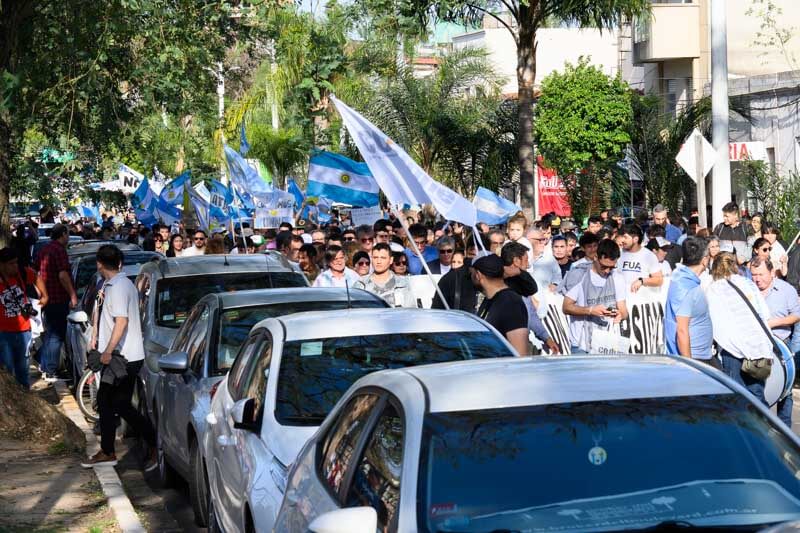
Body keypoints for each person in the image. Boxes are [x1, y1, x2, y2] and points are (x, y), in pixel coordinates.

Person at [81, 245, 156, 468]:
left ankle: (121, 449)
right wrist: (95, 334)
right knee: (115, 403)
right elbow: (106, 317)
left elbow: (121, 322)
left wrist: (108, 350)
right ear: (120, 262)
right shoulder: (112, 285)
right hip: (117, 356)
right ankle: (112, 450)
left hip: (122, 358)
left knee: (110, 402)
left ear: (99, 263)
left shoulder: (120, 287)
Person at [707, 252, 772, 405]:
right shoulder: (748, 283)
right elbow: (765, 313)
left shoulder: (715, 288)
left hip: (733, 348)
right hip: (757, 346)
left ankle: (745, 427)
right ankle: (764, 425)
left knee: (736, 396)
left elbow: (713, 320)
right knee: (756, 394)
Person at [750, 257, 800, 425]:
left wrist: (773, 323)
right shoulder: (748, 289)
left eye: (761, 274)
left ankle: (784, 435)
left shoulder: (787, 290)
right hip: (754, 348)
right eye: (754, 274)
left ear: (772, 272)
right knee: (757, 392)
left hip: (781, 347)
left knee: (784, 394)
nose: (757, 279)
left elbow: (797, 315)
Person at [562, 239, 629, 353]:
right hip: (581, 345)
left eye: (612, 267)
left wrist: (620, 315)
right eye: (604, 266)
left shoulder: (617, 277)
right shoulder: (579, 275)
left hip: (607, 344)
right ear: (595, 257)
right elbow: (566, 307)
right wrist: (591, 310)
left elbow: (623, 310)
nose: (608, 271)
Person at [34, 223, 78, 382]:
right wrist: (73, 294)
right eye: (68, 234)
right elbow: (62, 275)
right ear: (63, 234)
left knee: (51, 333)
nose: (68, 237)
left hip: (47, 299)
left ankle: (43, 361)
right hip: (58, 298)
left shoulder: (44, 249)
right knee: (56, 335)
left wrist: (40, 293)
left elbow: (35, 274)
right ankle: (50, 369)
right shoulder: (59, 250)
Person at [0, 247, 47, 388]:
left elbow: (37, 277)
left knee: (23, 369)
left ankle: (25, 396)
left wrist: (45, 296)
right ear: (1, 264)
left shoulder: (21, 272)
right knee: (7, 370)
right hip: (3, 333)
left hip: (23, 330)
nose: (15, 266)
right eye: (11, 264)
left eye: (16, 262)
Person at [501, 243, 560, 353]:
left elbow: (531, 314)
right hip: (506, 346)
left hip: (524, 342)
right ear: (516, 261)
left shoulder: (523, 284)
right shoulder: (500, 285)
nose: (528, 265)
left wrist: (546, 338)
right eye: (526, 260)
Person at [664, 237, 714, 364]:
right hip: (695, 359)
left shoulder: (681, 276)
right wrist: (689, 366)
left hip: (700, 355)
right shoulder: (686, 287)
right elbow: (681, 330)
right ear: (704, 260)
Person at [472, 254, 528, 355]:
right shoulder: (489, 300)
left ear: (478, 275)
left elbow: (520, 353)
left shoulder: (511, 303)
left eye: (471, 274)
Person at [354, 243, 415, 307]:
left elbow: (411, 311)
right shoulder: (361, 285)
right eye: (375, 258)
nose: (378, 261)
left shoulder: (402, 284)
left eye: (383, 258)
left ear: (391, 260)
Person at [617, 223, 663, 293]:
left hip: (639, 301)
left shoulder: (648, 255)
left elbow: (659, 280)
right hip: (621, 300)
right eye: (622, 237)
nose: (622, 240)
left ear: (635, 239)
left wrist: (642, 281)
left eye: (625, 237)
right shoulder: (618, 253)